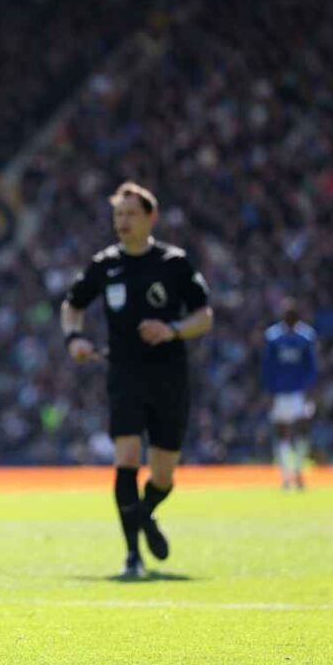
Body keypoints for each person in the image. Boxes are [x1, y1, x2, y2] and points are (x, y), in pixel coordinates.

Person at [61, 181, 213, 578]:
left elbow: (204, 316)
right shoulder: (104, 264)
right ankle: (132, 555)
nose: (123, 221)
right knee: (126, 458)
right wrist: (74, 338)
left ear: (151, 218)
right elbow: (72, 305)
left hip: (169, 376)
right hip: (124, 373)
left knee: (163, 474)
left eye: (130, 214)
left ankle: (144, 515)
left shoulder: (174, 263)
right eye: (118, 215)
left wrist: (172, 329)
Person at [261, 298, 318, 490]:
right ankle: (291, 475)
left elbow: (310, 367)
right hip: (288, 393)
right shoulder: (279, 337)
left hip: (292, 392)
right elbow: (268, 368)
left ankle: (293, 474)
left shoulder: (298, 337)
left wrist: (269, 392)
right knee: (291, 434)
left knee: (293, 434)